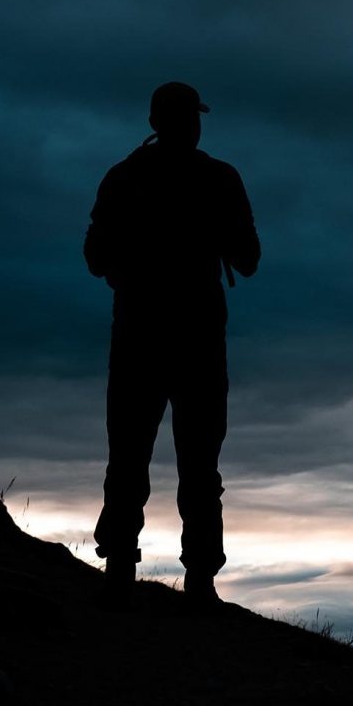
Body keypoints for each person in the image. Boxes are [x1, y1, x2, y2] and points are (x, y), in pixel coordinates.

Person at [84, 82, 260, 605]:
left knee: (132, 454)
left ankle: (120, 568)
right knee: (198, 462)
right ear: (188, 121)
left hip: (140, 334)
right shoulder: (219, 178)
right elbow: (249, 259)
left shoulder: (124, 177)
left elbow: (95, 256)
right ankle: (199, 580)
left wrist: (131, 269)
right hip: (196, 338)